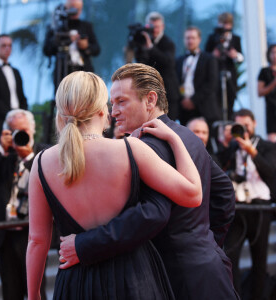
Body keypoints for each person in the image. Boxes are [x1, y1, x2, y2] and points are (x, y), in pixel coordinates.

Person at [58, 63, 238, 300]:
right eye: (112, 104)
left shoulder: (144, 147)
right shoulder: (187, 136)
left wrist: (84, 245)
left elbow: (151, 214)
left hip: (173, 280)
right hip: (210, 272)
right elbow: (224, 194)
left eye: (122, 102)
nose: (113, 112)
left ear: (150, 100)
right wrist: (206, 245)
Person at [26, 71, 202, 299]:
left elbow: (37, 241)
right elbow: (193, 194)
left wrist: (33, 295)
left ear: (61, 112)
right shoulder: (131, 150)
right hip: (132, 279)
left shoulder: (41, 163)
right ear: (102, 110)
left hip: (75, 282)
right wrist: (175, 140)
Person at [0, 109, 47, 300]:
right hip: (5, 236)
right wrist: (2, 149)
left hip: (32, 235)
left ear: (32, 130)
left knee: (36, 292)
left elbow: (48, 177)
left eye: (23, 130)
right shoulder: (4, 158)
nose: (20, 135)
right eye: (14, 131)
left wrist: (27, 157)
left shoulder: (43, 153)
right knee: (10, 293)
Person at [218, 108, 276, 300]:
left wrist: (251, 151)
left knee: (260, 260)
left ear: (254, 124)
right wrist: (226, 144)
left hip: (261, 207)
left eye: (246, 124)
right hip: (238, 207)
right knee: (231, 257)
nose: (243, 129)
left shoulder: (268, 146)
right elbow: (218, 168)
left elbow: (270, 173)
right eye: (239, 125)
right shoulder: (233, 147)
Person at [128, 11, 180, 121]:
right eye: (151, 27)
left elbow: (168, 62)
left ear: (163, 26)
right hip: (150, 91)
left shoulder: (168, 43)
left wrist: (151, 48)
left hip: (167, 92)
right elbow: (140, 63)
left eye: (157, 27)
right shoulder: (143, 40)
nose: (154, 30)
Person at [43, 0, 100, 89]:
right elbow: (47, 50)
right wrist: (68, 39)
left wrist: (86, 47)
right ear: (65, 9)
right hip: (62, 72)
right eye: (72, 8)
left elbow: (97, 49)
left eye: (78, 9)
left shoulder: (86, 26)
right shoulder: (56, 27)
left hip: (83, 71)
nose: (75, 11)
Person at [0, 34, 28, 140]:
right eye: (3, 45)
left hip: (20, 120)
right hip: (1, 121)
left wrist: (22, 114)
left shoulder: (16, 71)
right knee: (7, 154)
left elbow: (22, 96)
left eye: (10, 46)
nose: (7, 48)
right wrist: (11, 116)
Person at [176, 26, 220, 127]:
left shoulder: (209, 59)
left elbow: (211, 84)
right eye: (187, 38)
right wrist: (183, 99)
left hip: (204, 108)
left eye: (193, 38)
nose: (190, 41)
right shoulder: (179, 60)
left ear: (199, 40)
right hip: (184, 110)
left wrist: (193, 100)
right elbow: (176, 83)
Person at [205, 12, 244, 120]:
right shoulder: (213, 37)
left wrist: (235, 55)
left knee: (230, 98)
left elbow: (241, 58)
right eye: (222, 23)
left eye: (226, 24)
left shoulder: (236, 38)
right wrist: (213, 55)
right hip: (215, 73)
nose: (224, 26)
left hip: (230, 74)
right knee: (216, 100)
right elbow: (205, 55)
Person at [258, 44, 276, 143]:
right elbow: (260, 92)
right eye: (273, 52)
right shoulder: (265, 72)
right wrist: (275, 82)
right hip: (272, 110)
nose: (275, 55)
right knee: (272, 140)